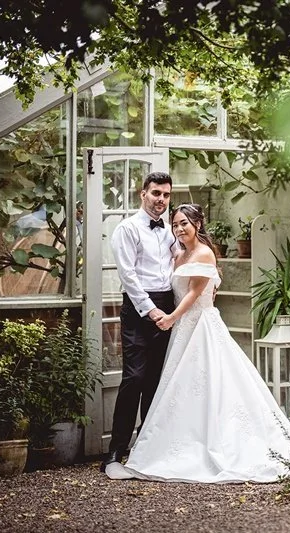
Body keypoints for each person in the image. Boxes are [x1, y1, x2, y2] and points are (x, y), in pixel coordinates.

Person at [105, 204, 290, 482]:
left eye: (184, 223)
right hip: (182, 330)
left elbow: (194, 293)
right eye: (176, 224)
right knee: (179, 386)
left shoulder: (204, 253)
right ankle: (174, 440)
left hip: (200, 326)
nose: (179, 229)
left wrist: (171, 317)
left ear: (197, 224)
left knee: (211, 383)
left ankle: (217, 441)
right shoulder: (178, 253)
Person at [100, 172, 176, 472]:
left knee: (156, 380)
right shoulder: (127, 228)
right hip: (138, 308)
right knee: (134, 378)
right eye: (156, 193)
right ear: (142, 194)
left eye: (166, 195)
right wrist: (150, 310)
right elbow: (127, 275)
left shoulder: (170, 232)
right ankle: (115, 451)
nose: (161, 200)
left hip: (168, 305)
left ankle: (145, 451)